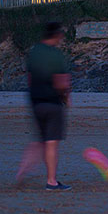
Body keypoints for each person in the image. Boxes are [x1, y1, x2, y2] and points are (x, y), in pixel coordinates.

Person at [17, 22, 72, 190]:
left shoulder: (34, 52)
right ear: (57, 35)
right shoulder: (55, 54)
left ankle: (22, 171)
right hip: (52, 102)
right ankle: (51, 181)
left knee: (39, 140)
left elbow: (30, 78)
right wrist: (66, 98)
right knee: (51, 142)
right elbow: (61, 82)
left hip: (35, 100)